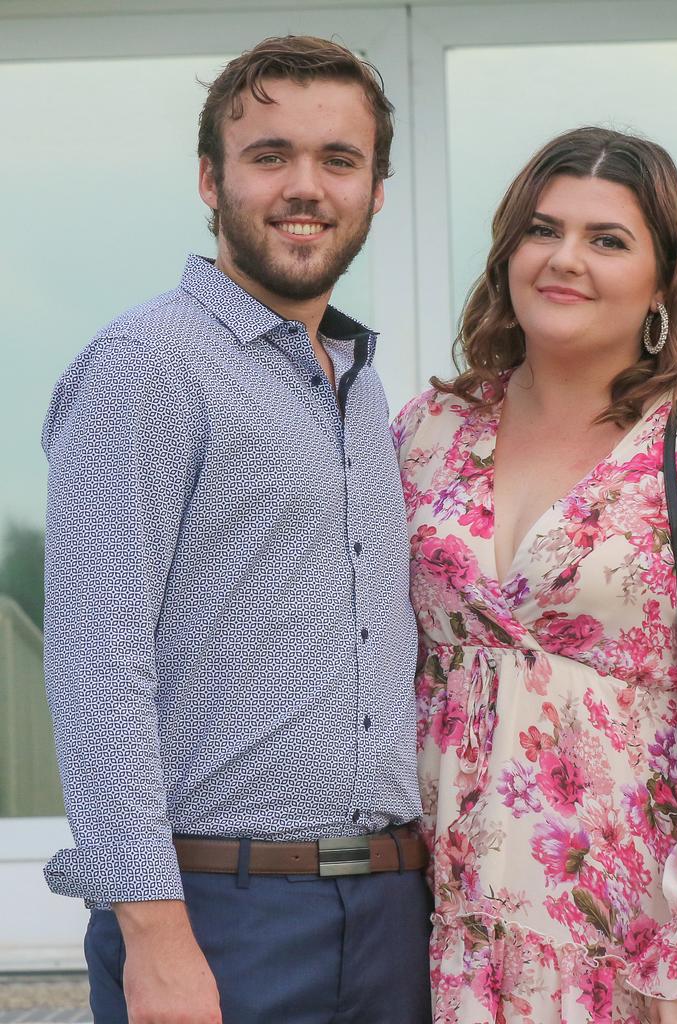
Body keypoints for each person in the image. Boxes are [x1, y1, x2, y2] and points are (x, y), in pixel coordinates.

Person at [42, 35, 431, 1024]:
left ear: (376, 192)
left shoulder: (363, 384)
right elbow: (99, 664)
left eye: (338, 160)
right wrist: (156, 936)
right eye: (270, 156)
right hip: (220, 918)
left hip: (391, 915)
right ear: (211, 180)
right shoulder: (147, 362)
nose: (306, 186)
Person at [393, 126, 677, 1024]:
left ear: (658, 280)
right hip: (431, 919)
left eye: (608, 239)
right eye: (542, 229)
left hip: (624, 926)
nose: (566, 259)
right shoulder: (429, 431)